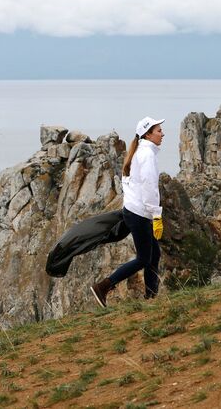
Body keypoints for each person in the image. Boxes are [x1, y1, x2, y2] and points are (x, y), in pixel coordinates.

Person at [90, 116, 165, 307]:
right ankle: (103, 286)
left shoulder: (138, 151)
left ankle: (151, 296)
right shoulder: (146, 155)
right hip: (140, 214)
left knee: (154, 254)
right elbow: (149, 188)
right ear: (148, 134)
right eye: (158, 130)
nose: (162, 133)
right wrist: (156, 215)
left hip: (135, 211)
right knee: (143, 258)